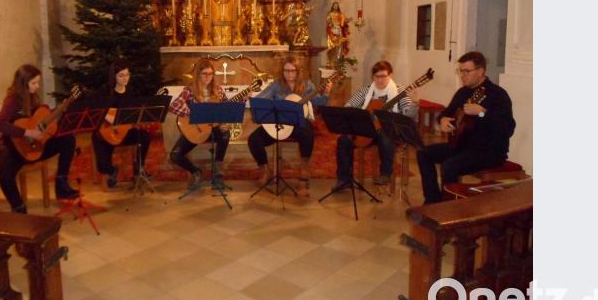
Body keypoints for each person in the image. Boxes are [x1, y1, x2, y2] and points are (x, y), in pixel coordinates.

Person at [417, 51, 516, 204]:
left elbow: (508, 128)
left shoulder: (498, 95)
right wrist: (442, 119)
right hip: (462, 146)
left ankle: (450, 208)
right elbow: (447, 112)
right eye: (460, 71)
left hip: (489, 151)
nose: (462, 75)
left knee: (450, 165)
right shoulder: (463, 92)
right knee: (423, 153)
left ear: (481, 71)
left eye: (467, 71)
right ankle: (433, 201)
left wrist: (482, 113)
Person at [0, 64, 79, 213]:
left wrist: (60, 109)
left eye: (38, 82)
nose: (37, 86)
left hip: (37, 145)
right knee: (5, 175)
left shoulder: (33, 97)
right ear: (23, 83)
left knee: (68, 139)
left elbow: (40, 119)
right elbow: (0, 125)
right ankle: (18, 206)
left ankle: (61, 184)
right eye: (34, 83)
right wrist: (27, 132)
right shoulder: (12, 100)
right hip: (17, 148)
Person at [247, 57, 332, 196]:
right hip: (279, 125)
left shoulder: (307, 85)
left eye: (293, 71)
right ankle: (265, 169)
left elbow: (319, 103)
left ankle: (304, 170)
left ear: (298, 71)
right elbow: (261, 98)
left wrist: (326, 93)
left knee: (307, 132)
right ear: (282, 71)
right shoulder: (276, 85)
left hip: (297, 125)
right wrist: (252, 97)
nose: (290, 74)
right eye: (286, 70)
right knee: (254, 139)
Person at [335, 61, 419, 187]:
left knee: (385, 136)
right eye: (376, 77)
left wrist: (415, 102)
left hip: (390, 131)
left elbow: (409, 115)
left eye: (383, 76)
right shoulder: (367, 90)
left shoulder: (400, 91)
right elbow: (349, 106)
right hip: (368, 131)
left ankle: (385, 174)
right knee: (343, 140)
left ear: (391, 75)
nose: (379, 80)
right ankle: (344, 179)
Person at [168, 58, 232, 187]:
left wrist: (225, 122)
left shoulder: (218, 90)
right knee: (175, 155)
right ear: (198, 74)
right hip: (197, 129)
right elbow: (174, 105)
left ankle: (218, 174)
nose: (208, 77)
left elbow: (226, 109)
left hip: (213, 128)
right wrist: (193, 113)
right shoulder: (190, 90)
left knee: (225, 134)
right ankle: (195, 171)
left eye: (210, 73)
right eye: (204, 73)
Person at [91, 60, 152, 188]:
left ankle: (139, 168)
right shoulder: (105, 92)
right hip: (108, 132)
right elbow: (97, 114)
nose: (125, 79)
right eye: (121, 76)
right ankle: (111, 170)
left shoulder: (131, 92)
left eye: (127, 75)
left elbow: (134, 113)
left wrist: (136, 120)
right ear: (113, 77)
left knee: (145, 136)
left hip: (125, 132)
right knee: (101, 162)